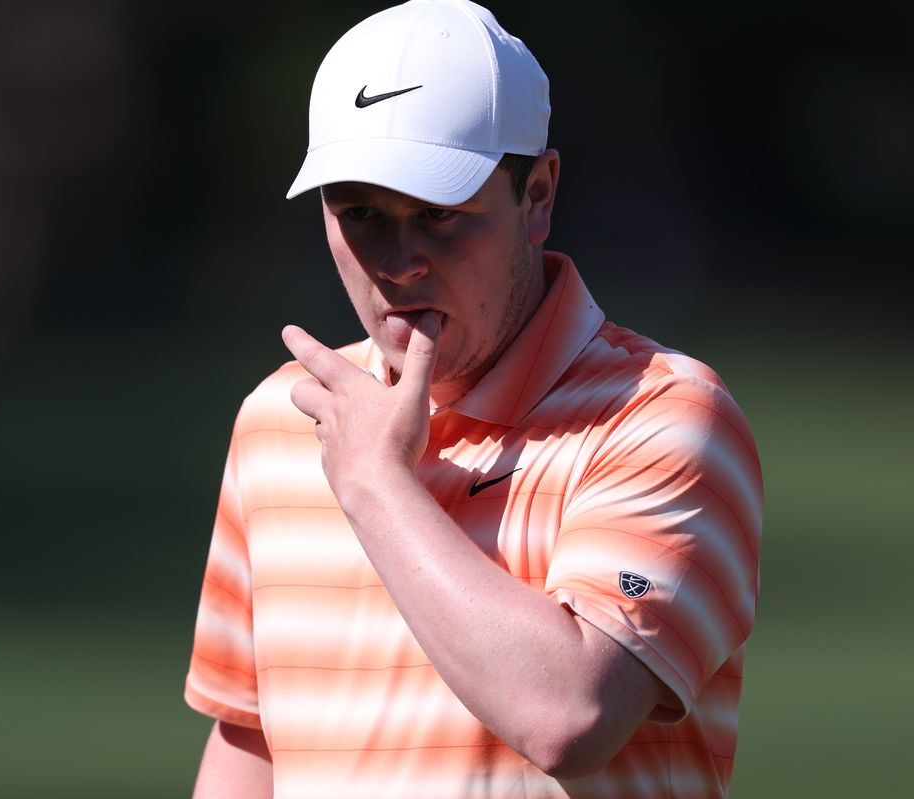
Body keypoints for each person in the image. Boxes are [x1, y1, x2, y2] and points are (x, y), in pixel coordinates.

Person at [184, 1, 763, 796]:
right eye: (360, 215)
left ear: (538, 195)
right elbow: (251, 743)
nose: (399, 261)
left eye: (439, 216)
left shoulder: (664, 416)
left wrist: (377, 484)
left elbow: (571, 713)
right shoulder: (281, 420)